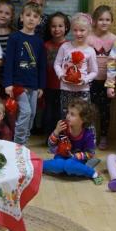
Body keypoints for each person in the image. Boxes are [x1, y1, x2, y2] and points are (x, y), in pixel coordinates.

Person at [3, 1, 47, 145]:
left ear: (39, 20)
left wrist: (41, 86)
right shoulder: (14, 38)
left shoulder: (39, 42)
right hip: (18, 84)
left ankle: (25, 141)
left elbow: (41, 66)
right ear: (21, 17)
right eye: (28, 15)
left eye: (35, 16)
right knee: (26, 112)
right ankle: (19, 143)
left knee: (32, 114)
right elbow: (8, 61)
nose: (31, 18)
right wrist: (8, 83)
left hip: (33, 85)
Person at [43, 99, 103, 184]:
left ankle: (93, 173)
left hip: (76, 160)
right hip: (61, 157)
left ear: (83, 119)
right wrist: (56, 131)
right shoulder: (63, 128)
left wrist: (76, 156)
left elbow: (90, 153)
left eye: (72, 114)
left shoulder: (88, 135)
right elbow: (51, 145)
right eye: (68, 112)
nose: (67, 116)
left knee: (69, 165)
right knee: (59, 165)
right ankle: (37, 165)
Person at [54, 13, 97, 119]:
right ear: (71, 30)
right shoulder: (65, 47)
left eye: (82, 30)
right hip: (66, 89)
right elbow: (57, 64)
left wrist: (85, 80)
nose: (78, 33)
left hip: (83, 90)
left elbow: (94, 71)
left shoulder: (90, 51)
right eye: (75, 30)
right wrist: (60, 75)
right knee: (66, 116)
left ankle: (83, 136)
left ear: (88, 31)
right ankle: (65, 136)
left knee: (83, 117)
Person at [88, 5, 116, 149]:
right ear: (94, 21)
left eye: (107, 19)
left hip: (107, 82)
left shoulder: (115, 40)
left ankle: (104, 136)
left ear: (111, 21)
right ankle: (91, 135)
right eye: (101, 19)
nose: (104, 22)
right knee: (90, 109)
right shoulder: (89, 38)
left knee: (105, 110)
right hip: (90, 81)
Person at [42, 12, 70, 140]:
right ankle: (50, 138)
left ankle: (63, 138)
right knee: (49, 113)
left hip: (65, 87)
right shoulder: (45, 45)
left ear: (66, 27)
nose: (57, 29)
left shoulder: (70, 46)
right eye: (53, 26)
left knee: (63, 113)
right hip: (48, 85)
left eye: (60, 26)